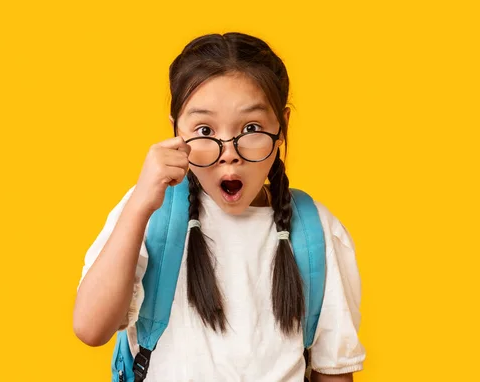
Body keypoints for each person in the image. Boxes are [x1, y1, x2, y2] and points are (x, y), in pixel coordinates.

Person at [73, 32, 366, 381]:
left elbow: (332, 370)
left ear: (282, 126)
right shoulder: (151, 214)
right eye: (205, 130)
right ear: (176, 131)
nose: (229, 152)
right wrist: (138, 207)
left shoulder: (315, 230)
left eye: (252, 127)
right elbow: (91, 329)